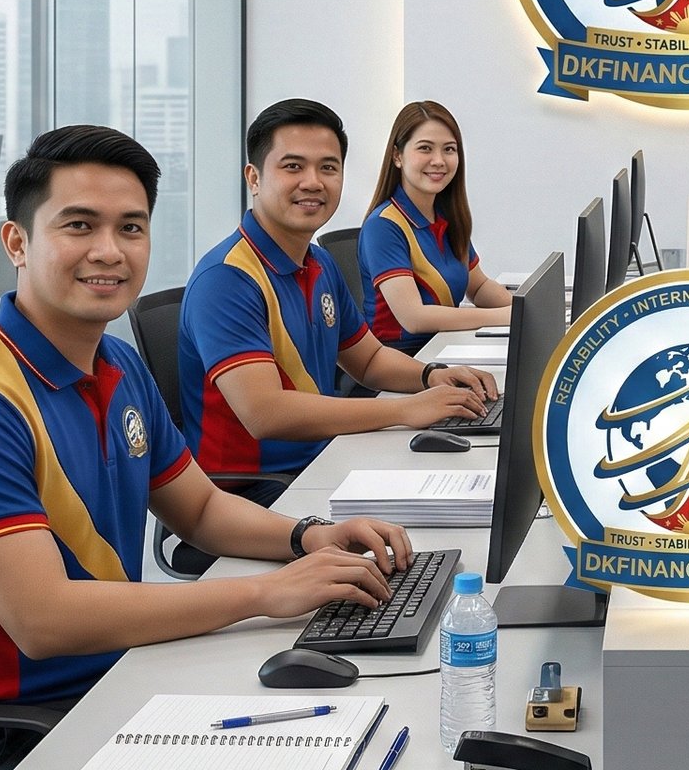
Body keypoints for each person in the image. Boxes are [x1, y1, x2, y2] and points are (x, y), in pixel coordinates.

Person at [0, 125, 416, 770]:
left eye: (130, 227)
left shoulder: (116, 364)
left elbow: (199, 511)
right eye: (79, 226)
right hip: (13, 735)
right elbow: (43, 619)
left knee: (359, 739)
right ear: (16, 243)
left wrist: (309, 537)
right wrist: (265, 594)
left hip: (118, 675)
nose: (109, 251)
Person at [179, 99, 498, 492]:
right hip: (257, 492)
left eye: (328, 168)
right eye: (293, 166)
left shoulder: (319, 263)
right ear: (254, 178)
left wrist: (431, 376)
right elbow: (265, 413)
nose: (313, 182)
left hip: (325, 459)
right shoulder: (227, 279)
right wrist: (403, 409)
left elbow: (369, 360)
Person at [359, 100, 515, 356]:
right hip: (403, 359)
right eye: (425, 148)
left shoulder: (447, 216)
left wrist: (525, 310)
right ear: (397, 156)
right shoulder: (383, 225)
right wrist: (504, 316)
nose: (439, 160)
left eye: (449, 149)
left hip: (444, 347)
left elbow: (478, 287)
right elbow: (414, 318)